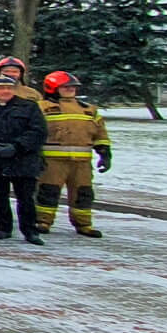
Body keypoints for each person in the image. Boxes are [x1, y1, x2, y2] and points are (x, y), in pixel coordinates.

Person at [0, 76, 49, 244]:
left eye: (9, 88)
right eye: (0, 88)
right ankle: (3, 227)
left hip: (23, 159)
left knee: (26, 198)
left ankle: (30, 231)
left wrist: (17, 146)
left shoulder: (29, 107)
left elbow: (38, 131)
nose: (5, 91)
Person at [36, 70, 111, 238]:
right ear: (52, 88)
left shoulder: (89, 109)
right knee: (48, 191)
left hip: (82, 163)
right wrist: (35, 155)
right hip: (52, 161)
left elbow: (100, 133)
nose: (70, 89)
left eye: (73, 87)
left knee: (83, 193)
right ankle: (43, 221)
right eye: (65, 87)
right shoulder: (41, 107)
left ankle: (84, 224)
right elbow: (35, 132)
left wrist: (105, 153)